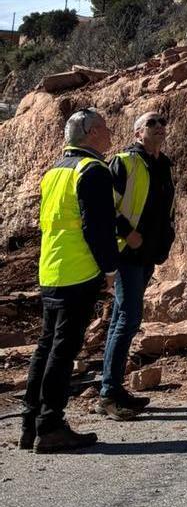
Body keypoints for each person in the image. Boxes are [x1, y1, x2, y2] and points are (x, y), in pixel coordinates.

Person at [22, 108, 118, 453]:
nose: (109, 133)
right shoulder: (92, 170)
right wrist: (109, 269)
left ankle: (31, 425)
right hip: (79, 270)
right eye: (104, 127)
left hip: (51, 269)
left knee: (46, 347)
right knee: (63, 351)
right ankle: (50, 426)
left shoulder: (55, 171)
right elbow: (98, 227)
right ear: (91, 133)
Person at [97, 111, 175, 420]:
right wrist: (127, 233)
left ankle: (111, 390)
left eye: (162, 122)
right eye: (151, 123)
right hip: (126, 253)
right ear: (137, 133)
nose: (159, 127)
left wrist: (165, 239)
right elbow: (104, 205)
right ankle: (109, 393)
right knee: (128, 319)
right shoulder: (124, 162)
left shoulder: (164, 165)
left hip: (147, 254)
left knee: (121, 319)